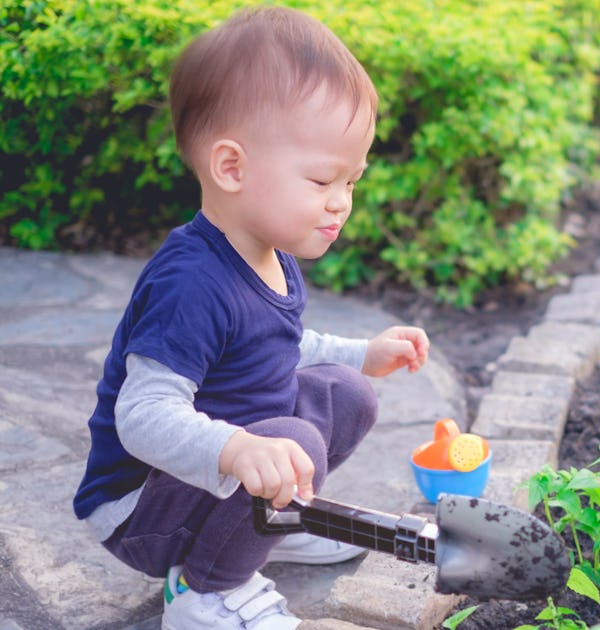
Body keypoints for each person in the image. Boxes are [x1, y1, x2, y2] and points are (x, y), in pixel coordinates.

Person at [71, 6, 429, 629]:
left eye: (352, 180)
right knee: (296, 444)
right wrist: (237, 449)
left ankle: (265, 527)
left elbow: (280, 345)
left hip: (218, 477)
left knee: (346, 395)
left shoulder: (270, 251)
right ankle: (204, 592)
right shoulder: (190, 282)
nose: (341, 202)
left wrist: (360, 354)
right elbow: (142, 415)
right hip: (142, 506)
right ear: (232, 167)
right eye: (322, 179)